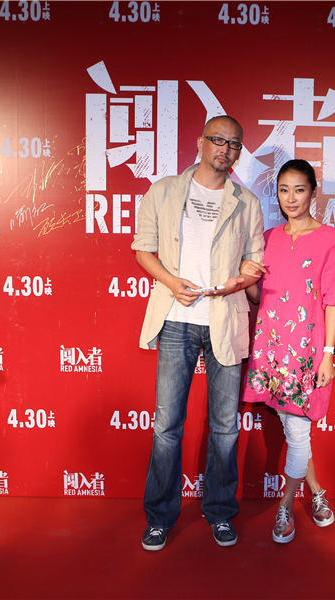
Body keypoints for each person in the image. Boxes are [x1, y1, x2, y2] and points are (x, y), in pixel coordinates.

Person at [131, 115, 264, 551]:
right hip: (176, 318)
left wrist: (239, 281)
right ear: (200, 142)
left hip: (225, 318)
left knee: (225, 426)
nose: (225, 149)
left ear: (239, 152)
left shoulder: (247, 202)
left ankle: (221, 512)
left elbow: (255, 259)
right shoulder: (165, 190)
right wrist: (172, 283)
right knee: (167, 425)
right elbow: (143, 249)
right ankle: (159, 517)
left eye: (234, 144)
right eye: (218, 140)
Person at [241, 159, 335, 543]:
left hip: (306, 348)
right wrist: (246, 277)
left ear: (313, 193)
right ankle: (316, 491)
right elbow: (258, 296)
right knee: (293, 427)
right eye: (284, 190)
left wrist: (328, 353)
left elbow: (334, 300)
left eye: (299, 190)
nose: (291, 198)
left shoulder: (330, 239)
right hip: (272, 346)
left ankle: (286, 504)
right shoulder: (267, 238)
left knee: (298, 430)